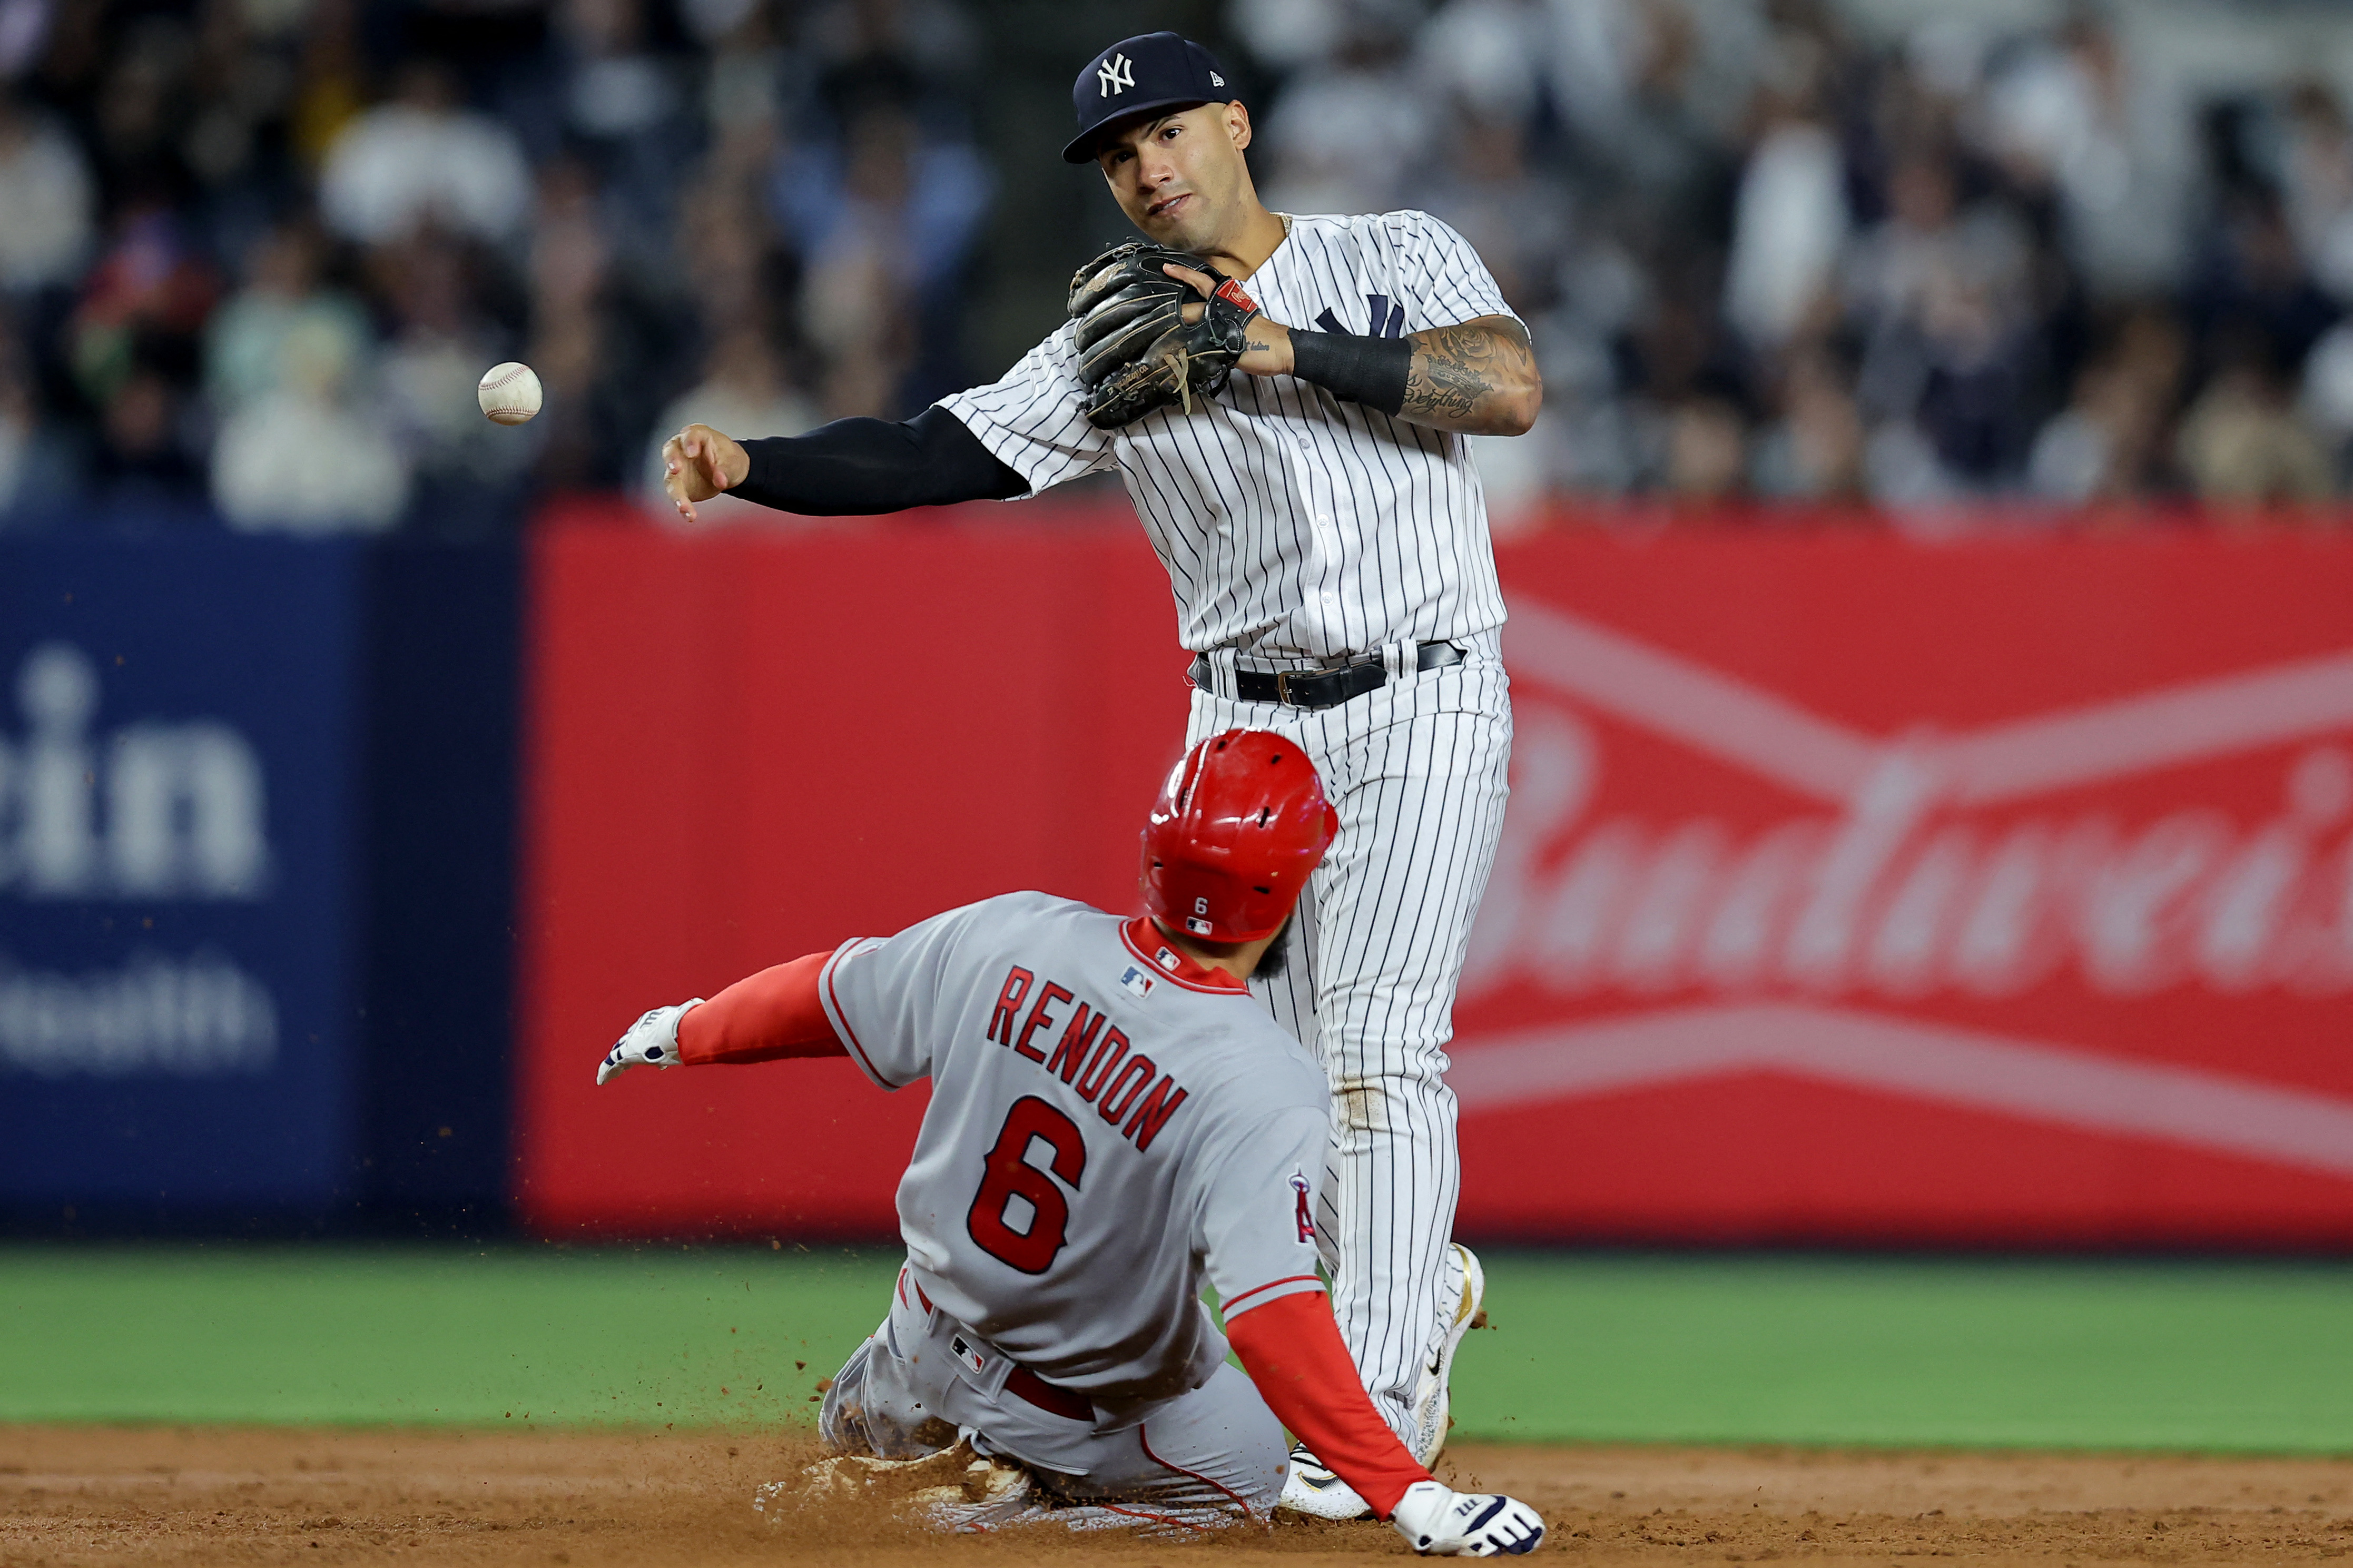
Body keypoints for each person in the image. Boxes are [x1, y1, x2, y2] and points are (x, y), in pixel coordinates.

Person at [657, 29, 1539, 1518]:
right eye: (1118, 155)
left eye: (1169, 133)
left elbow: (1504, 387)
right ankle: (1335, 1317)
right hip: (1237, 725)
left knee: (1378, 1044)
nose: (1146, 167)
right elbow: (938, 451)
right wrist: (758, 464)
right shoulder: (1106, 347)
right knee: (1212, 1088)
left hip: (1425, 694)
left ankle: (1375, 1413)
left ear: (1237, 123)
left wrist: (1275, 346)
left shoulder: (1396, 244)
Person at [596, 731, 1544, 1555]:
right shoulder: (1263, 1081)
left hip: (915, 1353)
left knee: (909, 1384)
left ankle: (895, 1435)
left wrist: (687, 1029)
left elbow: (837, 991)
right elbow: (1274, 1315)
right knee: (1250, 1467)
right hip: (1069, 1417)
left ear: (1155, 852)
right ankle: (997, 1513)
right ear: (1292, 884)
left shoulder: (1015, 933)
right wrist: (1412, 1494)